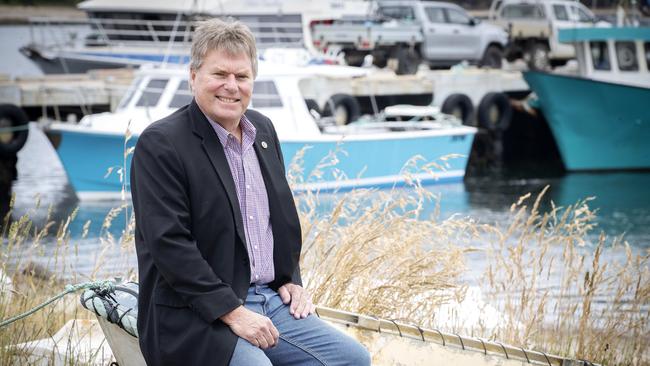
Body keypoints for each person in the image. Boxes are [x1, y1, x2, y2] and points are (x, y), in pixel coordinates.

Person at [130, 18, 371, 366]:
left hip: (267, 300)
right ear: (193, 76)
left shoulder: (263, 130)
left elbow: (279, 219)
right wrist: (232, 311)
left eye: (241, 77)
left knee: (352, 359)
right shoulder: (162, 143)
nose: (231, 86)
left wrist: (291, 279)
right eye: (220, 74)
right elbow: (169, 245)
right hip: (192, 313)